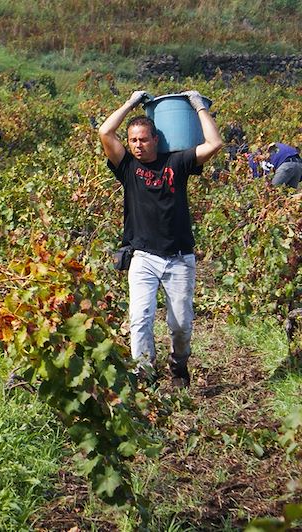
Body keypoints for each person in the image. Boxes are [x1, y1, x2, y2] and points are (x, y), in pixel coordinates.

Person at [98, 90, 223, 388]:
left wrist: (197, 106)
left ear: (156, 139)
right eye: (133, 140)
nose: (138, 145)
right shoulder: (127, 167)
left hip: (179, 257)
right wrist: (130, 102)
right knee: (140, 321)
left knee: (180, 326)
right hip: (143, 256)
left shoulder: (177, 162)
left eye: (143, 139)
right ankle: (146, 376)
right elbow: (105, 131)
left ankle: (179, 366)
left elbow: (215, 143)